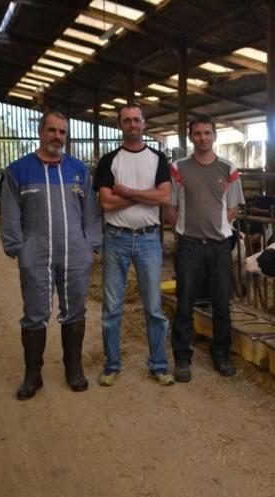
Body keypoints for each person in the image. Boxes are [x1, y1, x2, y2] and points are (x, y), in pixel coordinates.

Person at [1, 110, 102, 400]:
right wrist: (17, 247)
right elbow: (10, 214)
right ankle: (33, 375)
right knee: (35, 313)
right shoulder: (18, 170)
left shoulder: (78, 170)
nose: (57, 136)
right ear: (40, 132)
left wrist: (90, 245)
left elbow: (91, 214)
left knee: (75, 310)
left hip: (74, 253)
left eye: (62, 132)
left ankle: (74, 369)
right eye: (52, 130)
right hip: (36, 254)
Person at [93, 103, 174, 386]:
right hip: (115, 238)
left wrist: (125, 191)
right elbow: (106, 203)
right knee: (112, 308)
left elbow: (165, 197)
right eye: (126, 121)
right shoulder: (108, 161)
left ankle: (158, 364)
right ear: (120, 125)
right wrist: (145, 195)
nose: (132, 125)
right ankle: (112, 365)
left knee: (153, 306)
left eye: (136, 120)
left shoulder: (158, 159)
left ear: (144, 123)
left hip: (149, 239)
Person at [167, 114, 245, 382]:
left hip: (220, 246)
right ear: (190, 137)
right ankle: (182, 357)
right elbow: (171, 206)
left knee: (221, 303)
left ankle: (221, 354)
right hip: (189, 246)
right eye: (197, 133)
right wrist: (184, 228)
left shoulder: (228, 167)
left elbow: (233, 206)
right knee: (185, 302)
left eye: (207, 133)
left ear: (215, 135)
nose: (202, 138)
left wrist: (218, 226)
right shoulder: (178, 167)